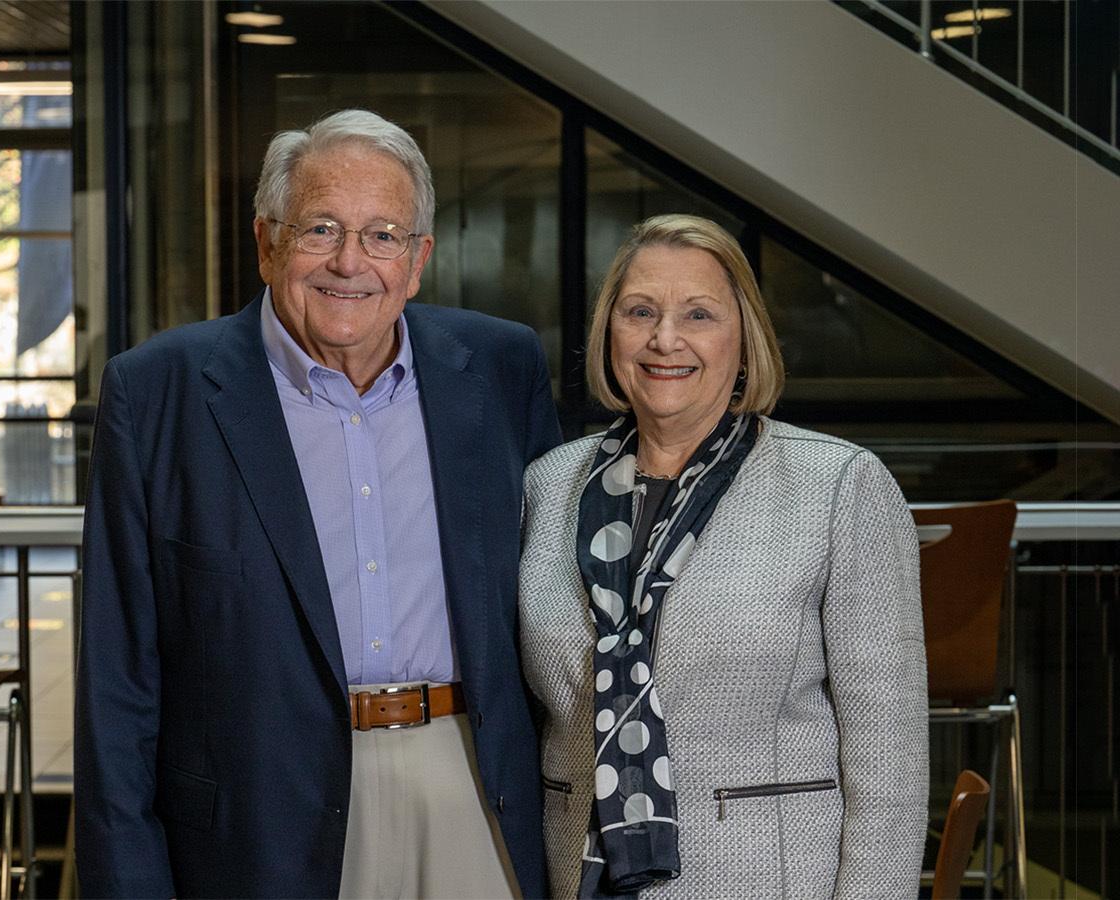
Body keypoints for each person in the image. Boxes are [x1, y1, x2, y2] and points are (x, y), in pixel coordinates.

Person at [75, 109, 561, 898]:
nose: (349, 261)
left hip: (472, 788)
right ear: (267, 243)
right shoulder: (157, 391)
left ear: (418, 259)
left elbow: (554, 607)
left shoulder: (501, 369)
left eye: (382, 235)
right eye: (321, 229)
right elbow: (118, 681)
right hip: (260, 819)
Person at [517, 214, 928, 898]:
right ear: (607, 332)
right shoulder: (548, 485)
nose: (664, 339)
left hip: (768, 877)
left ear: (744, 339)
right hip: (575, 879)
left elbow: (890, 764)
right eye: (640, 311)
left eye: (699, 314)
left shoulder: (838, 485)